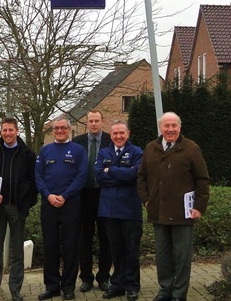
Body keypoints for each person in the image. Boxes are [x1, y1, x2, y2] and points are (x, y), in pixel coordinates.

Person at [137, 112, 210, 301]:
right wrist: (146, 200)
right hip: (158, 213)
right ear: (161, 128)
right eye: (166, 126)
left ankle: (179, 294)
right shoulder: (150, 148)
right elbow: (141, 177)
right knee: (162, 257)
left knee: (182, 258)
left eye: (174, 126)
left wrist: (199, 207)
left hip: (183, 214)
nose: (170, 129)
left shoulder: (191, 148)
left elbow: (202, 180)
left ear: (179, 127)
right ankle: (165, 290)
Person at [0, 117, 38, 301]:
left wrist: (26, 205)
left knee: (17, 253)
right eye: (4, 130)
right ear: (1, 132)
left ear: (17, 131)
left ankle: (15, 290)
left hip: (17, 209)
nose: (7, 134)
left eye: (10, 130)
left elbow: (34, 182)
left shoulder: (27, 154)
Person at [35, 117, 87, 301]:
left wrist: (65, 196)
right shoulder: (45, 150)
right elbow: (38, 176)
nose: (59, 130)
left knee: (70, 247)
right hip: (49, 205)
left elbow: (81, 176)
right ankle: (52, 286)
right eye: (56, 128)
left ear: (69, 129)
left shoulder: (79, 150)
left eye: (63, 128)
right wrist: (48, 195)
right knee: (50, 247)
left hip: (70, 205)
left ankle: (68, 287)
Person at [95, 121, 144, 301]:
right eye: (115, 133)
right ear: (111, 134)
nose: (118, 136)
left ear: (128, 133)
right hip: (109, 211)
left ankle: (132, 286)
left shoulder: (137, 152)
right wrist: (123, 173)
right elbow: (99, 176)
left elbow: (136, 175)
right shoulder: (103, 153)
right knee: (115, 250)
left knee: (131, 251)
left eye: (121, 133)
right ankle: (117, 285)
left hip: (130, 211)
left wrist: (111, 170)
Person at [72, 109, 112, 293]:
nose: (94, 124)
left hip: (104, 195)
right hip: (84, 196)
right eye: (91, 121)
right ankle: (86, 278)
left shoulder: (111, 141)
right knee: (84, 238)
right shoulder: (77, 142)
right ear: (86, 123)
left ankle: (104, 277)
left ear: (102, 122)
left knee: (106, 237)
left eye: (97, 121)